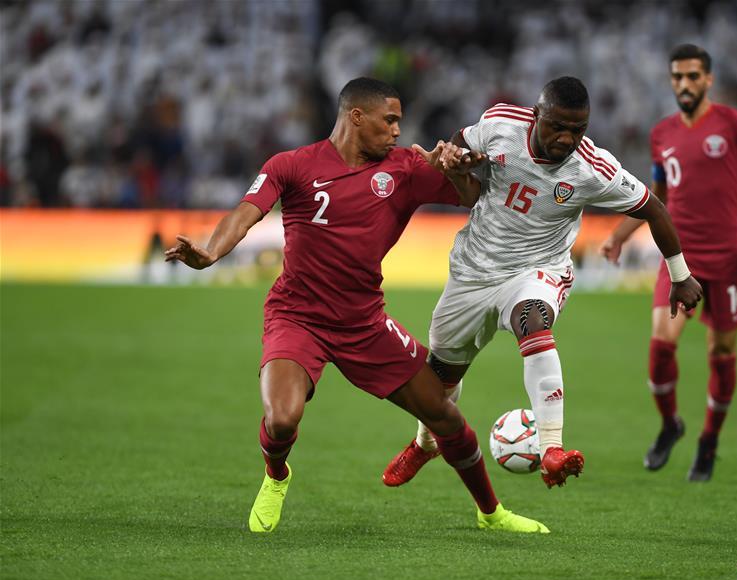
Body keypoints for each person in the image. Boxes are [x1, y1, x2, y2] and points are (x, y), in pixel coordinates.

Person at [165, 77, 548, 534]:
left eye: (399, 123)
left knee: (444, 414)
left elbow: (470, 197)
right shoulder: (292, 165)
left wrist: (453, 167)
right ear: (355, 116)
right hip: (297, 316)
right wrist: (210, 253)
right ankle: (276, 474)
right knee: (282, 419)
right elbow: (245, 213)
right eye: (389, 121)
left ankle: (491, 513)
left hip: (364, 322)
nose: (396, 131)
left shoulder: (405, 167)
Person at [382, 76, 703, 489]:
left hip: (538, 270)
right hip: (473, 271)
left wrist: (680, 275)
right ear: (536, 116)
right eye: (557, 126)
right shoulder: (500, 124)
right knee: (440, 378)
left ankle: (552, 447)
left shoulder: (592, 169)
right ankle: (426, 444)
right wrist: (456, 158)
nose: (567, 138)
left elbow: (654, 209)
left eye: (578, 129)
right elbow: (461, 141)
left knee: (532, 320)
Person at [600, 44, 737, 482]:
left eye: (692, 77)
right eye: (677, 77)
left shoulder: (735, 124)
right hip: (680, 260)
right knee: (659, 347)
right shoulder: (662, 133)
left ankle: (709, 440)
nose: (684, 85)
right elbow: (658, 196)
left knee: (721, 353)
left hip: (730, 259)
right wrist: (618, 235)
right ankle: (671, 424)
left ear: (709, 79)